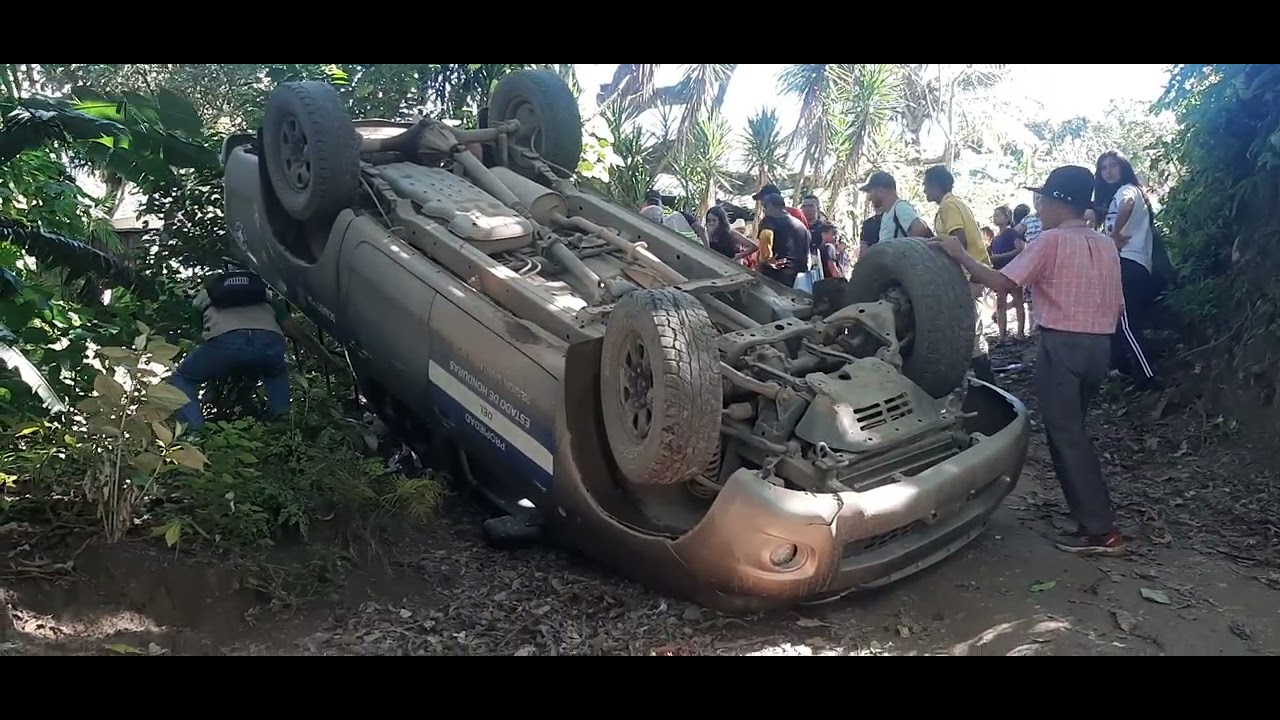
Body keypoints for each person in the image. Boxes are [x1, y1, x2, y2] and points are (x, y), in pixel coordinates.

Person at [929, 165, 1125, 556]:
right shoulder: (1105, 244)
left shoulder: (1051, 241)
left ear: (1058, 203)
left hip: (1063, 345)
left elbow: (1004, 282)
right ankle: (1092, 517)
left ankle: (1099, 530)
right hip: (1099, 345)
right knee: (1075, 431)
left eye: (1044, 200)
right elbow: (1118, 303)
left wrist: (959, 256)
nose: (1040, 207)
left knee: (1066, 436)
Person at [170, 268, 308, 430]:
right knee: (276, 373)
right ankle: (282, 426)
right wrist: (322, 355)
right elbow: (291, 328)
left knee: (182, 378)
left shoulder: (204, 296)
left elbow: (200, 336)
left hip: (225, 343)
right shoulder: (265, 292)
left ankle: (194, 434)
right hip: (269, 342)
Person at [923, 165, 994, 384]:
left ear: (936, 186)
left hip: (969, 274)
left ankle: (988, 386)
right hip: (973, 272)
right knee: (967, 331)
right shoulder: (955, 203)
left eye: (926, 186)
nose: (924, 191)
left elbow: (958, 240)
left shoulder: (948, 206)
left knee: (970, 333)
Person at [1094, 150, 1158, 386]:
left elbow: (1128, 204)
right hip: (1129, 263)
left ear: (1124, 168)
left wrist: (1114, 234)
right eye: (1104, 168)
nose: (1109, 171)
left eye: (1114, 166)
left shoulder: (1127, 190)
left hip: (1130, 262)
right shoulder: (1113, 197)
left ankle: (1148, 375)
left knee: (1127, 323)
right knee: (1118, 319)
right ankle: (1123, 368)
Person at [861, 171, 932, 243]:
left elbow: (920, 230)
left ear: (881, 190)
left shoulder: (900, 207)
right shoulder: (887, 214)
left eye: (870, 191)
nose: (869, 198)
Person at [989, 205, 1026, 343]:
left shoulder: (1011, 233)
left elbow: (1019, 249)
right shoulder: (995, 239)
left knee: (1018, 301)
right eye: (994, 215)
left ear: (1007, 217)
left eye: (998, 215)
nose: (995, 218)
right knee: (1000, 303)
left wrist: (1000, 257)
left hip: (1013, 270)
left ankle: (1020, 333)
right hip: (1000, 272)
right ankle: (1002, 335)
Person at [758, 193, 810, 287]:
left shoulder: (770, 220)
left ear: (769, 205)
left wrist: (766, 260)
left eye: (764, 207)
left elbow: (765, 235)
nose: (764, 212)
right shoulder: (801, 225)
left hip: (777, 273)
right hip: (799, 276)